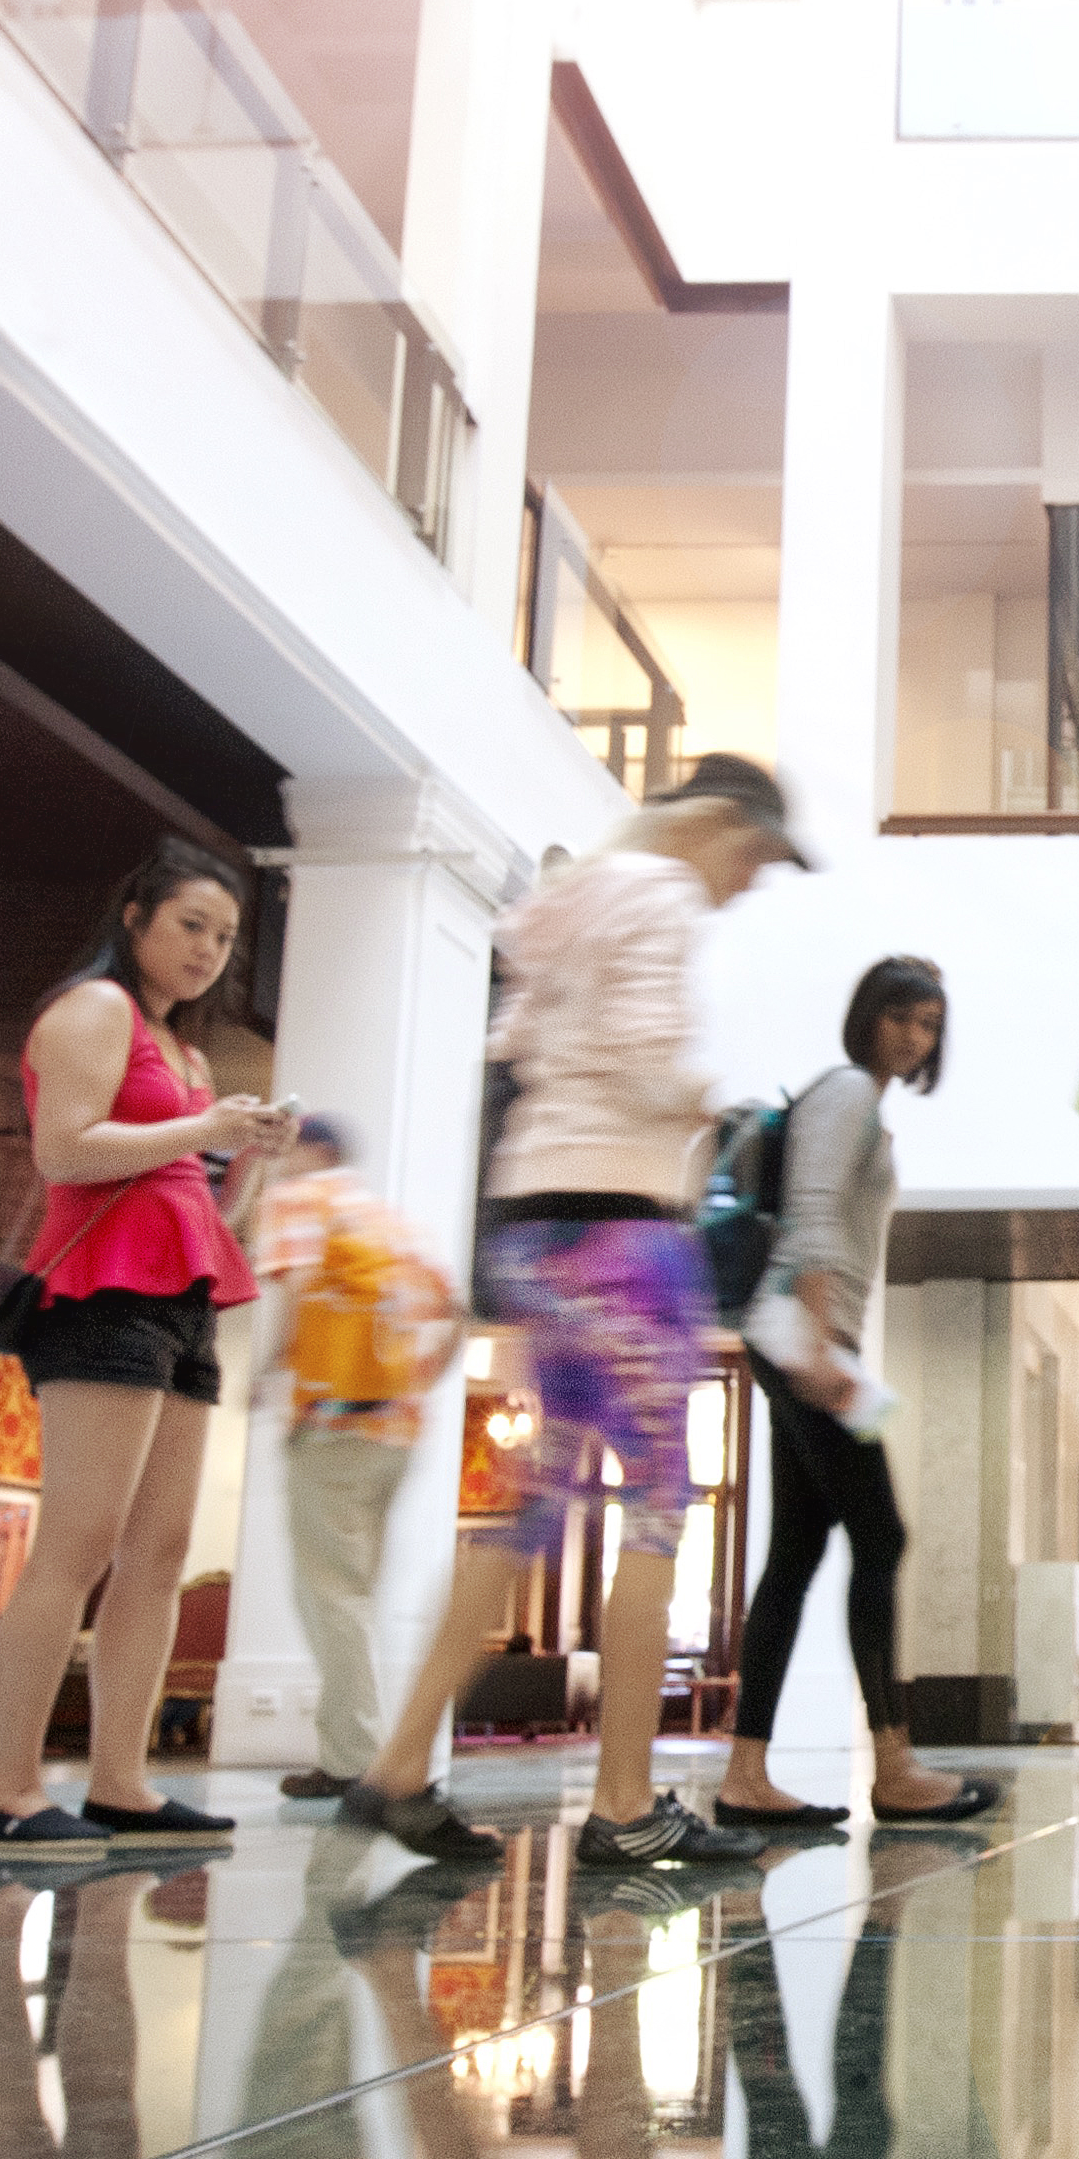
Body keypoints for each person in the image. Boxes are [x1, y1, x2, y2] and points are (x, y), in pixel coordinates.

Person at [329, 753, 806, 1879]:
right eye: (757, 860)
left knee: (536, 1500)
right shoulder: (663, 894)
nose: (750, 886)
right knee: (656, 1501)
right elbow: (644, 1061)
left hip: (534, 1225)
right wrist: (715, 1101)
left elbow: (520, 1050)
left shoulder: (577, 895)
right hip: (624, 1237)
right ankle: (627, 1802)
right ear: (721, 828)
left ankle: (400, 1765)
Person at [0, 842, 269, 1852]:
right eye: (192, 925)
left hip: (180, 1292)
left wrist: (247, 1157)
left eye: (224, 938)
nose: (209, 952)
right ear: (134, 915)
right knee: (81, 1541)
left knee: (163, 1550)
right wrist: (201, 1129)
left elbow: (202, 1201)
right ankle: (7, 1791)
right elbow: (66, 1150)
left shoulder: (182, 1052)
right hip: (101, 1293)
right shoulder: (95, 1011)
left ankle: (121, 1780)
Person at [724, 957, 997, 1833]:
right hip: (805, 1341)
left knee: (797, 1556)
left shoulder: (860, 1101)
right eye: (901, 1018)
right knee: (881, 1536)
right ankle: (895, 1766)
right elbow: (808, 1215)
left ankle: (745, 1775)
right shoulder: (845, 1092)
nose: (914, 1038)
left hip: (801, 1339)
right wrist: (821, 1343)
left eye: (928, 1024)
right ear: (867, 1018)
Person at [246, 1119, 453, 1805]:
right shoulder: (389, 1224)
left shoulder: (301, 1201)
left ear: (314, 1151)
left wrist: (266, 1369)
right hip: (397, 1431)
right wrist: (421, 1380)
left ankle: (358, 1762)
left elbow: (299, 1287)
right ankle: (357, 1752)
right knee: (355, 1593)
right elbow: (455, 1308)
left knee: (330, 1593)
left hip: (332, 1423)